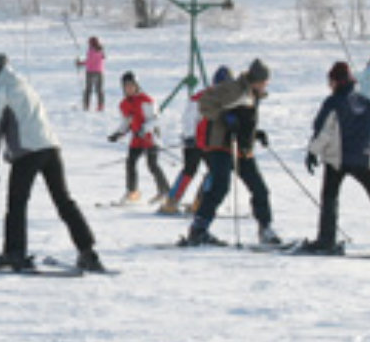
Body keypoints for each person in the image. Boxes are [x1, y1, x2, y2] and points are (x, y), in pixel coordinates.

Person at [0, 54, 105, 273]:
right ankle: (87, 251)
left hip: (27, 151)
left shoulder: (1, 92)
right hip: (51, 148)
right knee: (64, 200)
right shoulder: (25, 86)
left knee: (17, 204)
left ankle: (15, 253)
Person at [301, 61, 370, 254]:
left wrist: (312, 152)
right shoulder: (368, 102)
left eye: (330, 82)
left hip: (338, 160)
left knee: (330, 198)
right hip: (363, 160)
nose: (329, 85)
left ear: (335, 82)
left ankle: (326, 240)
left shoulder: (333, 103)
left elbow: (324, 131)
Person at [181, 59, 281, 247]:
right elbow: (205, 103)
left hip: (242, 148)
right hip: (221, 145)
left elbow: (244, 118)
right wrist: (224, 117)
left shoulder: (253, 94)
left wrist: (254, 134)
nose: (266, 85)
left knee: (259, 188)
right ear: (257, 80)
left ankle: (266, 229)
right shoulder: (234, 88)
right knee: (220, 186)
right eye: (264, 82)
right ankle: (198, 229)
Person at [161, 66, 230, 214]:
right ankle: (172, 202)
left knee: (214, 171)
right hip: (195, 142)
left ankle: (200, 202)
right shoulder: (201, 98)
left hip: (212, 144)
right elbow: (189, 118)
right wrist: (189, 136)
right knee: (189, 170)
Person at [110, 71, 169, 204]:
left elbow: (155, 120)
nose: (129, 88)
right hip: (137, 139)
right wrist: (118, 133)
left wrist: (144, 129)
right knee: (130, 163)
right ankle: (132, 192)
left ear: (137, 86)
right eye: (126, 86)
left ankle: (164, 191)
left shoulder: (146, 100)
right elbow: (126, 121)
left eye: (131, 85)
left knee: (152, 165)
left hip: (150, 137)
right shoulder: (124, 104)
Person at [78, 36, 107, 111]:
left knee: (88, 90)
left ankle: (86, 105)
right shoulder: (101, 51)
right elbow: (103, 58)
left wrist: (80, 63)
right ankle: (100, 105)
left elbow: (89, 62)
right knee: (99, 90)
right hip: (99, 72)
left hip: (90, 72)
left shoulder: (91, 51)